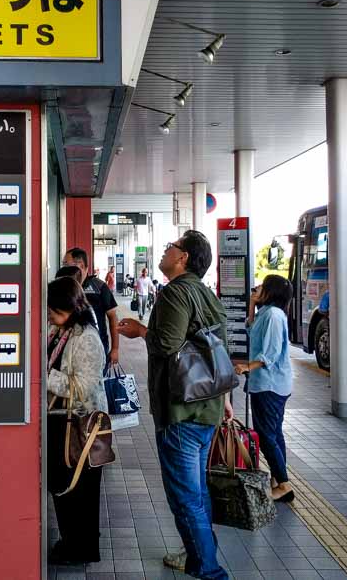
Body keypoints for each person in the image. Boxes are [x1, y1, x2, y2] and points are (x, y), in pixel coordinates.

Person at [118, 230, 232, 580]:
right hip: (207, 406)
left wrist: (140, 331)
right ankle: (197, 557)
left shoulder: (176, 293)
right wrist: (225, 400)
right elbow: (218, 347)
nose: (166, 250)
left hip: (182, 410)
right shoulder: (205, 293)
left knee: (185, 499)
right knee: (196, 494)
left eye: (172, 247)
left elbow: (167, 344)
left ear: (183, 258)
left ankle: (210, 571)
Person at [46, 276, 108, 565]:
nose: (50, 315)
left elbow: (84, 387)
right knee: (63, 485)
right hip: (61, 421)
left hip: (83, 425)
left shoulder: (86, 338)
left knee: (81, 490)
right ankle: (69, 541)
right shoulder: (58, 332)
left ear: (70, 308)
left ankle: (81, 548)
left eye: (55, 310)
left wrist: (44, 376)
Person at [235, 275, 295, 503]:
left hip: (270, 383)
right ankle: (278, 480)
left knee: (267, 435)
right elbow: (251, 330)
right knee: (274, 433)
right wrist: (251, 304)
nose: (257, 287)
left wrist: (246, 366)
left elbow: (269, 353)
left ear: (272, 291)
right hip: (269, 382)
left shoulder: (273, 315)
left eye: (262, 285)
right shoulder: (267, 312)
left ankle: (284, 484)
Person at [63, 248, 120, 365]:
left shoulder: (99, 287)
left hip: (97, 349)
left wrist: (115, 349)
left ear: (81, 265)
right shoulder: (65, 286)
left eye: (66, 264)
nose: (63, 268)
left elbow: (113, 317)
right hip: (69, 348)